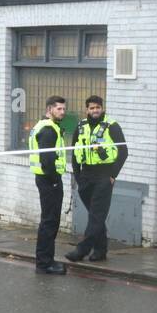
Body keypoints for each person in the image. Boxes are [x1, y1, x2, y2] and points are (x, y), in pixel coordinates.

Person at [66, 95, 128, 263]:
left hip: (104, 176)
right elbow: (74, 151)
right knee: (96, 216)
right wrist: (78, 176)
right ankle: (100, 251)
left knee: (96, 215)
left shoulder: (112, 126)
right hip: (85, 176)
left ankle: (82, 250)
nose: (95, 111)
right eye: (92, 108)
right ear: (87, 109)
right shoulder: (81, 126)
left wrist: (113, 175)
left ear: (102, 108)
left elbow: (123, 152)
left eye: (97, 108)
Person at [28, 95, 69, 276]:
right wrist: (54, 180)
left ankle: (45, 261)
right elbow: (47, 159)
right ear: (49, 109)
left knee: (49, 221)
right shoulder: (48, 130)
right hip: (49, 180)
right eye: (59, 109)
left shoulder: (43, 126)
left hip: (45, 179)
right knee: (50, 222)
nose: (62, 112)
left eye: (63, 109)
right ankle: (44, 264)